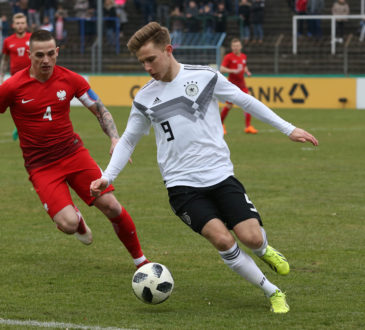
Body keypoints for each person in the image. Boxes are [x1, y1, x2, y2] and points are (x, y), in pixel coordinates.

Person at [90, 22, 319, 313]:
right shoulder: (145, 97)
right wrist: (106, 176)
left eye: (151, 59)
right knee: (223, 240)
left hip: (221, 176)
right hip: (182, 187)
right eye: (142, 62)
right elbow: (128, 140)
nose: (147, 67)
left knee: (252, 237)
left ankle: (263, 249)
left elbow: (245, 100)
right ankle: (272, 291)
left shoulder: (205, 77)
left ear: (168, 50)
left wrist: (288, 129)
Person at [0, 30, 149, 269]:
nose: (46, 60)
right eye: (39, 55)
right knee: (68, 225)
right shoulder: (12, 87)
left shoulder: (70, 79)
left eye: (51, 54)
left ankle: (142, 262)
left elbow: (100, 110)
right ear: (29, 54)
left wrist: (114, 139)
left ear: (57, 52)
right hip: (41, 167)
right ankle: (77, 220)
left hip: (73, 154)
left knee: (111, 205)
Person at [0, 13, 31, 141]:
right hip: (16, 79)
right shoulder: (8, 41)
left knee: (31, 104)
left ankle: (24, 128)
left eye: (22, 23)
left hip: (32, 77)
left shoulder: (33, 38)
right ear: (13, 25)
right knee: (17, 105)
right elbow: (5, 59)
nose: (20, 25)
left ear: (26, 24)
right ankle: (20, 127)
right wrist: (1, 75)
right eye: (18, 23)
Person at [220, 38, 257, 135]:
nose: (236, 48)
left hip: (242, 85)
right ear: (232, 47)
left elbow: (244, 66)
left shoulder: (243, 56)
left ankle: (248, 126)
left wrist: (247, 71)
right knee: (229, 106)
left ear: (240, 46)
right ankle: (221, 125)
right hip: (231, 86)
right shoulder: (228, 57)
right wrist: (233, 71)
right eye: (234, 46)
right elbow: (222, 69)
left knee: (248, 104)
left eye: (237, 46)